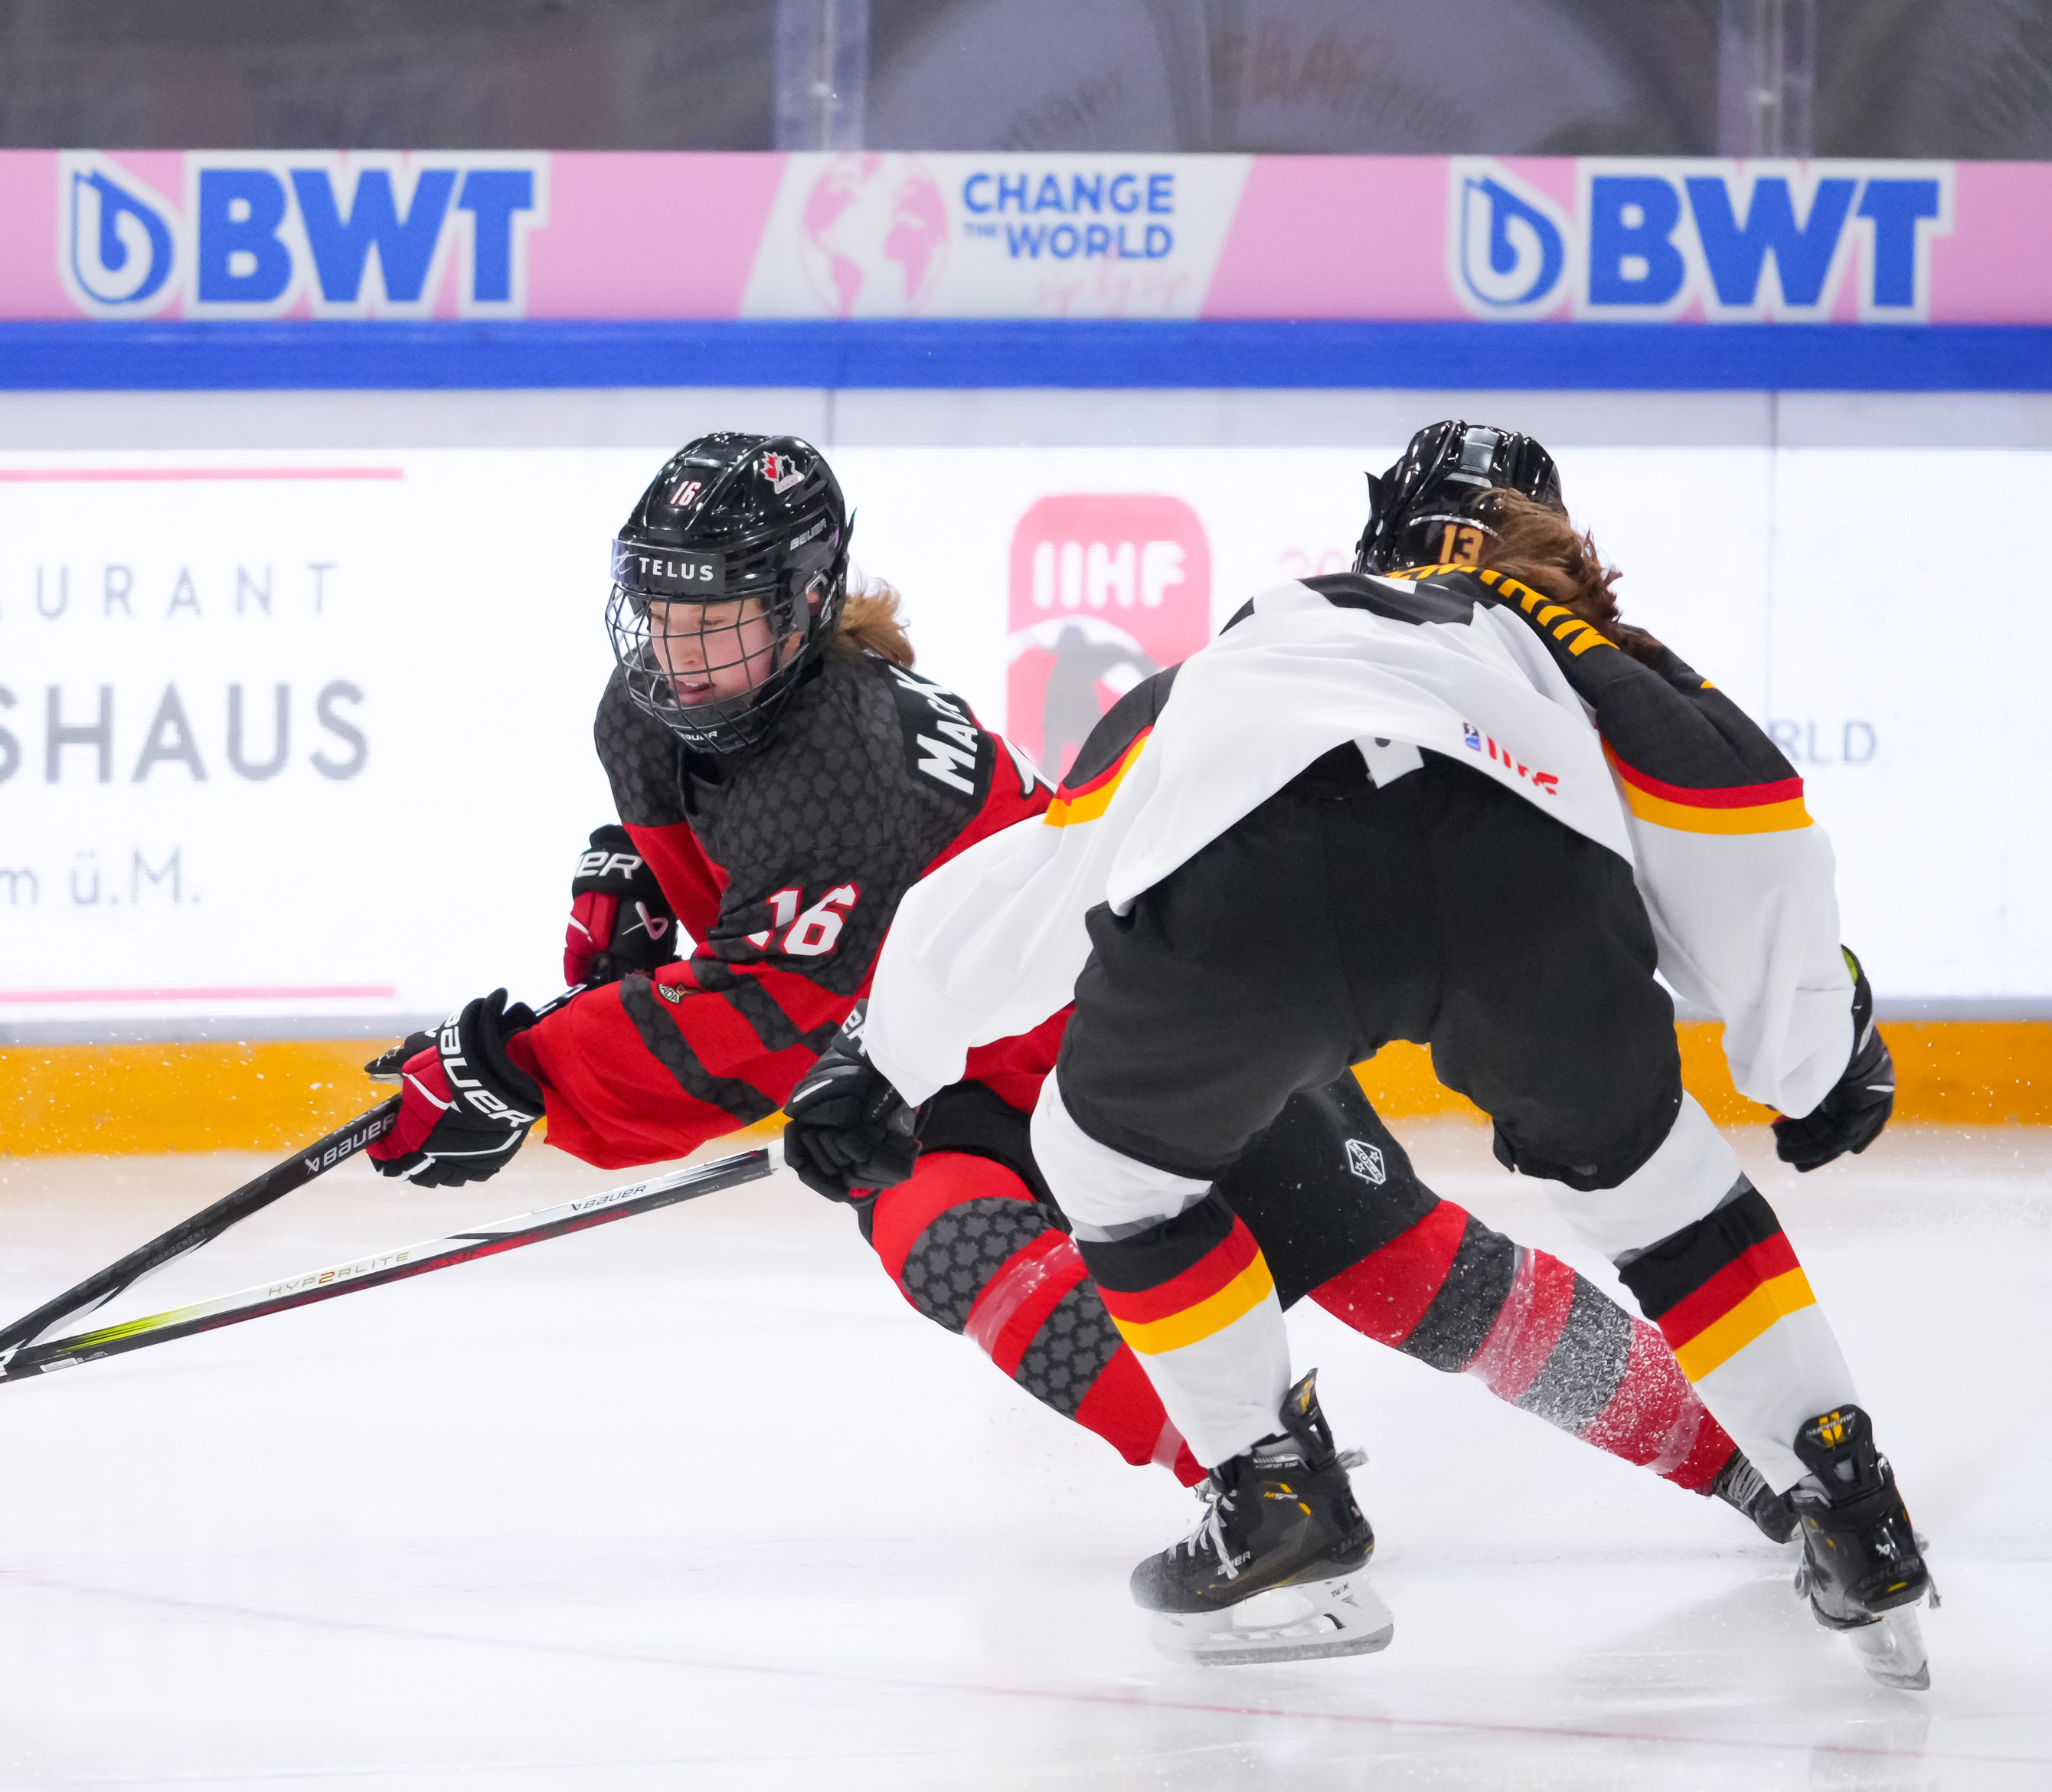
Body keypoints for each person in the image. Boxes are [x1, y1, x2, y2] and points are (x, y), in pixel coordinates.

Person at [364, 430, 1788, 1664]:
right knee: (936, 1230)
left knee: (1417, 1277)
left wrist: (530, 1077)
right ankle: (1267, 1493)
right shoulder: (654, 720)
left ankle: (1761, 1462)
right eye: (665, 614)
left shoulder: (847, 762)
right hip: (949, 1079)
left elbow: (753, 1022)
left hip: (1149, 1019)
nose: (685, 654)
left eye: (721, 619)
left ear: (802, 607)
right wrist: (615, 938)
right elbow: (739, 934)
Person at [791, 421, 1929, 1686]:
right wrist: (1815, 1053)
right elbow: (1740, 829)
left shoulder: (1282, 624)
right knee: (1669, 1200)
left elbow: (1064, 860)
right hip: (1523, 887)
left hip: (1259, 876)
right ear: (1563, 550)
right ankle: (1854, 1508)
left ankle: (1272, 1492)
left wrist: (884, 1053)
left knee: (1107, 1167)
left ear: (1381, 537)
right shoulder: (1582, 650)